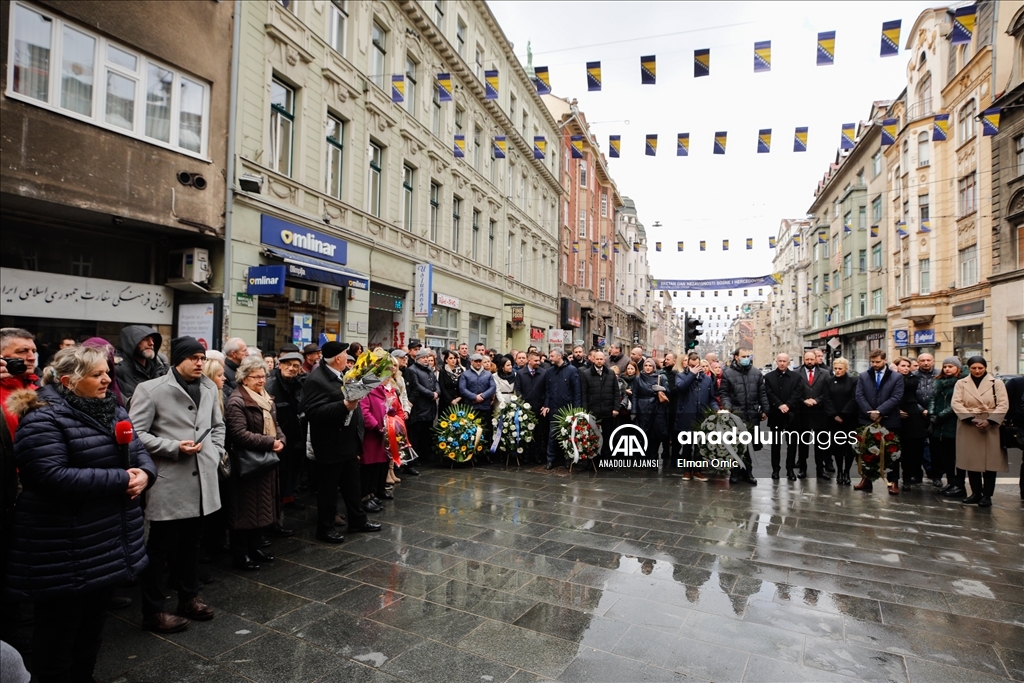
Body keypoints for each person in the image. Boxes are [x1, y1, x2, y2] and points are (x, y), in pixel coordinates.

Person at [5, 346, 155, 682]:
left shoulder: (112, 408)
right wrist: (121, 480)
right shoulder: (43, 416)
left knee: (91, 632)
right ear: (69, 381)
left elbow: (139, 451)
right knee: (58, 637)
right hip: (63, 545)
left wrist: (145, 475)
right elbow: (47, 475)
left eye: (107, 373)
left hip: (104, 541)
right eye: (97, 374)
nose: (106, 380)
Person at [129, 337, 224, 633]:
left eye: (202, 357)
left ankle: (189, 597)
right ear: (178, 360)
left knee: (192, 544)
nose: (199, 363)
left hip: (203, 479)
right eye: (194, 358)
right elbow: (136, 433)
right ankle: (153, 611)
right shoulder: (151, 389)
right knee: (160, 547)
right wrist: (172, 446)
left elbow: (217, 425)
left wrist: (216, 452)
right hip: (169, 480)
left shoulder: (208, 387)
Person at [301, 341, 381, 542]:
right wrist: (344, 405)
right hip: (330, 444)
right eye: (346, 354)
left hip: (348, 440)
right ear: (338, 358)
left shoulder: (343, 375)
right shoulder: (316, 379)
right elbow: (312, 412)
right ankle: (325, 528)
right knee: (328, 489)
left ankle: (358, 520)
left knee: (352, 484)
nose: (348, 358)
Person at [223, 357, 285, 570]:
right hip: (247, 464)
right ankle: (241, 554)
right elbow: (239, 434)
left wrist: (280, 440)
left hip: (264, 462)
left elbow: (276, 425)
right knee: (244, 511)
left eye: (263, 376)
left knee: (261, 509)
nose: (261, 380)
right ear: (244, 378)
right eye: (256, 377)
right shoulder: (236, 401)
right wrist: (270, 443)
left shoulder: (265, 397)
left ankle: (255, 547)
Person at [951, 356, 1009, 508]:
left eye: (980, 368)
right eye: (973, 368)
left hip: (991, 424)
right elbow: (956, 403)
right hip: (969, 424)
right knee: (971, 461)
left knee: (991, 463)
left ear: (985, 368)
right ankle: (976, 493)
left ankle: (987, 495)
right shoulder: (961, 383)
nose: (977, 371)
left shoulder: (997, 383)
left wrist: (989, 420)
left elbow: (1003, 404)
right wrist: (971, 418)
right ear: (968, 368)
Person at [853, 349, 904, 492]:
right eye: (872, 362)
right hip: (868, 419)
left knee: (892, 451)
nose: (875, 364)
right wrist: (870, 413)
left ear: (885, 360)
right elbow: (859, 395)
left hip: (889, 419)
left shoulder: (896, 377)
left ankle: (893, 481)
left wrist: (880, 411)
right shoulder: (864, 376)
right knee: (867, 450)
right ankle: (866, 479)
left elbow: (896, 396)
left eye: (878, 362)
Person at [360, 365, 404, 511]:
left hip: (382, 434)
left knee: (377, 467)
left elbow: (390, 409)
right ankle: (365, 496)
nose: (387, 379)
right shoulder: (368, 391)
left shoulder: (384, 391)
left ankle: (372, 494)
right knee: (368, 468)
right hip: (372, 435)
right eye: (384, 377)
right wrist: (378, 427)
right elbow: (365, 413)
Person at [266, 352, 306, 511]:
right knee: (281, 473)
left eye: (295, 366)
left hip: (296, 434)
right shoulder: (271, 384)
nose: (291, 368)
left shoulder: (299, 383)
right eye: (288, 364)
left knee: (295, 469)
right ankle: (278, 504)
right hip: (278, 435)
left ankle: (291, 498)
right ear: (280, 365)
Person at [719, 348, 766, 485]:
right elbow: (724, 393)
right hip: (736, 415)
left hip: (752, 414)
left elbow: (762, 394)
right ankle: (735, 472)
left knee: (749, 446)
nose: (746, 358)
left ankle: (748, 472)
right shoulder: (728, 374)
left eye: (748, 356)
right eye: (743, 356)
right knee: (736, 445)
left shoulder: (756, 373)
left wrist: (765, 409)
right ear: (736, 357)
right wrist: (728, 408)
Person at [675, 352, 716, 481]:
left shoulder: (707, 379)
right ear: (688, 364)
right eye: (691, 366)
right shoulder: (681, 376)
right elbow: (681, 388)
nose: (694, 368)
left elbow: (712, 398)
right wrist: (691, 374)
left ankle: (698, 471)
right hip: (687, 415)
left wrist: (715, 410)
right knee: (687, 446)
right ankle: (687, 471)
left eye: (696, 365)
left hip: (702, 416)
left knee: (700, 446)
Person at [796, 349, 834, 481]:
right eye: (807, 359)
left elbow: (829, 391)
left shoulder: (825, 373)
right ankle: (802, 469)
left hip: (819, 412)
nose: (810, 362)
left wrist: (817, 400)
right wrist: (803, 400)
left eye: (812, 359)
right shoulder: (796, 373)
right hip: (803, 412)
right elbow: (794, 392)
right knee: (803, 443)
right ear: (804, 360)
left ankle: (820, 469)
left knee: (820, 443)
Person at [540, 348, 581, 470]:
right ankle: (550, 460)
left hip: (567, 409)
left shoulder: (572, 371)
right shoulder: (550, 372)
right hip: (553, 408)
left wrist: (576, 410)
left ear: (559, 356)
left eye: (552, 356)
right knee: (552, 436)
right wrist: (546, 405)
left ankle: (567, 459)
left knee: (567, 436)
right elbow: (547, 390)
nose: (550, 358)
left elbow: (577, 391)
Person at [930, 357, 965, 498]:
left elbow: (956, 404)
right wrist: (932, 413)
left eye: (951, 366)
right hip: (939, 425)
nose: (947, 369)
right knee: (946, 457)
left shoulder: (961, 382)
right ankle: (950, 482)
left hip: (953, 422)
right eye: (945, 366)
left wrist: (940, 416)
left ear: (958, 368)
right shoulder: (939, 382)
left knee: (957, 456)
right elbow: (933, 398)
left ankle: (959, 484)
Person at [890, 357, 925, 494]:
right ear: (896, 366)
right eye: (902, 365)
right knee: (894, 451)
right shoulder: (890, 378)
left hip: (911, 416)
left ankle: (907, 479)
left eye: (907, 366)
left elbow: (906, 386)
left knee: (910, 452)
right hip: (895, 414)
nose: (905, 368)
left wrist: (896, 375)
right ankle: (893, 480)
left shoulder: (912, 378)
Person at [763, 353, 800, 480]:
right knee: (776, 444)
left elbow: (797, 392)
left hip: (791, 415)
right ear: (776, 362)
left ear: (789, 362)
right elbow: (769, 393)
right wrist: (779, 405)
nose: (782, 363)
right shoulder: (769, 377)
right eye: (780, 361)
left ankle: (790, 470)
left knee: (792, 444)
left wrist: (788, 405)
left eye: (785, 361)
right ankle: (775, 470)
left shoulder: (796, 377)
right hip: (776, 414)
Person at [580, 350, 620, 462]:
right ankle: (593, 460)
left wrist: (616, 408)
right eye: (597, 359)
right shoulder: (586, 374)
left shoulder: (610, 373)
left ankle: (607, 459)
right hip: (593, 411)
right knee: (593, 436)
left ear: (604, 360)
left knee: (607, 436)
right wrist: (585, 410)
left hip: (608, 411)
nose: (599, 361)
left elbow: (616, 392)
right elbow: (584, 393)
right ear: (593, 359)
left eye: (601, 359)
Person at [459, 353, 498, 460]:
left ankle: (485, 454)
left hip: (485, 407)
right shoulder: (465, 374)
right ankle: (472, 454)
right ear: (471, 361)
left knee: (485, 431)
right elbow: (462, 389)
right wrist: (474, 397)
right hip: (471, 407)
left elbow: (492, 387)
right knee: (471, 431)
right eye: (475, 361)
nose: (478, 363)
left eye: (479, 361)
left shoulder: (488, 374)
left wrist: (483, 396)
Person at [115, 325, 168, 404]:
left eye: (152, 339)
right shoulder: (117, 369)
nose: (151, 343)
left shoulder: (161, 364)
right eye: (145, 339)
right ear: (130, 343)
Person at [827, 358, 859, 485]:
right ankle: (839, 471)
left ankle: (847, 472)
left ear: (846, 369)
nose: (837, 371)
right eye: (835, 368)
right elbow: (827, 398)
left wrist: (844, 414)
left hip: (849, 419)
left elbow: (854, 398)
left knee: (849, 447)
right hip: (834, 420)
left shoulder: (853, 381)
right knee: (837, 447)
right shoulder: (828, 381)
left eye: (840, 368)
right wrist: (834, 415)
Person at [404, 348, 436, 472]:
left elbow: (435, 383)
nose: (426, 360)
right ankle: (414, 458)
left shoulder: (429, 370)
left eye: (427, 358)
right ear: (418, 359)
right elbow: (417, 387)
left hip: (430, 406)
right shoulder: (413, 370)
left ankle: (424, 455)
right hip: (419, 407)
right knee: (416, 434)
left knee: (425, 433)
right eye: (423, 358)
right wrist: (430, 394)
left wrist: (436, 392)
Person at [514, 350, 548, 464]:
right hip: (525, 409)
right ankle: (525, 456)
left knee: (538, 434)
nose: (539, 362)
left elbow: (547, 390)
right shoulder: (520, 373)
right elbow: (518, 390)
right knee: (526, 433)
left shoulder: (543, 373)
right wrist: (523, 404)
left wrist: (544, 404)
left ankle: (536, 455)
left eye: (539, 360)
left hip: (539, 408)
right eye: (536, 360)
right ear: (529, 360)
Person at [633, 358, 669, 461]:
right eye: (646, 366)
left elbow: (668, 392)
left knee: (655, 436)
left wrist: (661, 389)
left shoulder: (660, 378)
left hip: (657, 409)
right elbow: (635, 395)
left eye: (650, 366)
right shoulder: (638, 378)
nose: (648, 368)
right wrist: (634, 411)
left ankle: (653, 459)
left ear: (654, 367)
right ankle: (644, 459)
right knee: (644, 435)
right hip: (642, 409)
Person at [913, 353, 940, 483]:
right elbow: (909, 396)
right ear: (918, 362)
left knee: (935, 447)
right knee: (917, 446)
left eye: (928, 360)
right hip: (917, 415)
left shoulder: (940, 375)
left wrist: (932, 410)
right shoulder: (913, 376)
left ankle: (935, 475)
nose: (925, 363)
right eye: (922, 360)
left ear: (933, 361)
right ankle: (916, 474)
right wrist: (921, 410)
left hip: (935, 415)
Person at [659, 353, 680, 469]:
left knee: (674, 429)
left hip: (675, 405)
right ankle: (665, 450)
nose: (666, 361)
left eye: (668, 359)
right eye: (665, 359)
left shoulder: (677, 374)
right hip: (664, 405)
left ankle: (674, 455)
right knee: (664, 429)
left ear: (674, 361)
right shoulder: (661, 373)